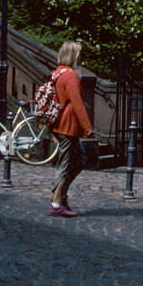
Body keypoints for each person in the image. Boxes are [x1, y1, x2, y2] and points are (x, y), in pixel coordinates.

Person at [49, 40, 93, 218]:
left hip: (62, 125)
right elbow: (77, 104)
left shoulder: (58, 73)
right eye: (79, 54)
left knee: (78, 161)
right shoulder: (71, 76)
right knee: (66, 164)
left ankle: (61, 195)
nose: (80, 58)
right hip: (69, 125)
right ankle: (56, 202)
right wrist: (88, 127)